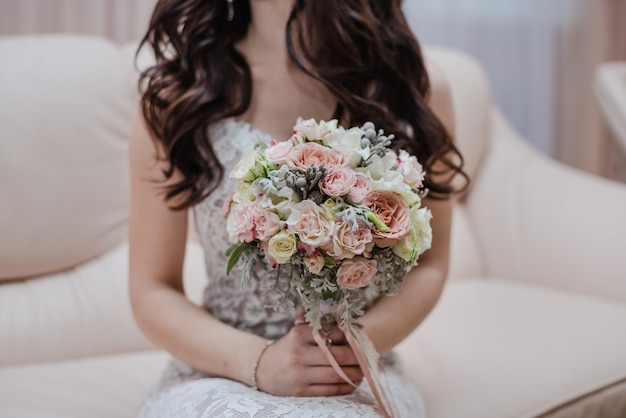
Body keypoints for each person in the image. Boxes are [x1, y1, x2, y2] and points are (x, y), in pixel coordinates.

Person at [129, 0, 467, 416]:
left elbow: (431, 265)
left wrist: (354, 347)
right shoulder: (177, 97)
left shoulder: (415, 87)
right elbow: (151, 290)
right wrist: (260, 362)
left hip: (355, 367)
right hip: (220, 369)